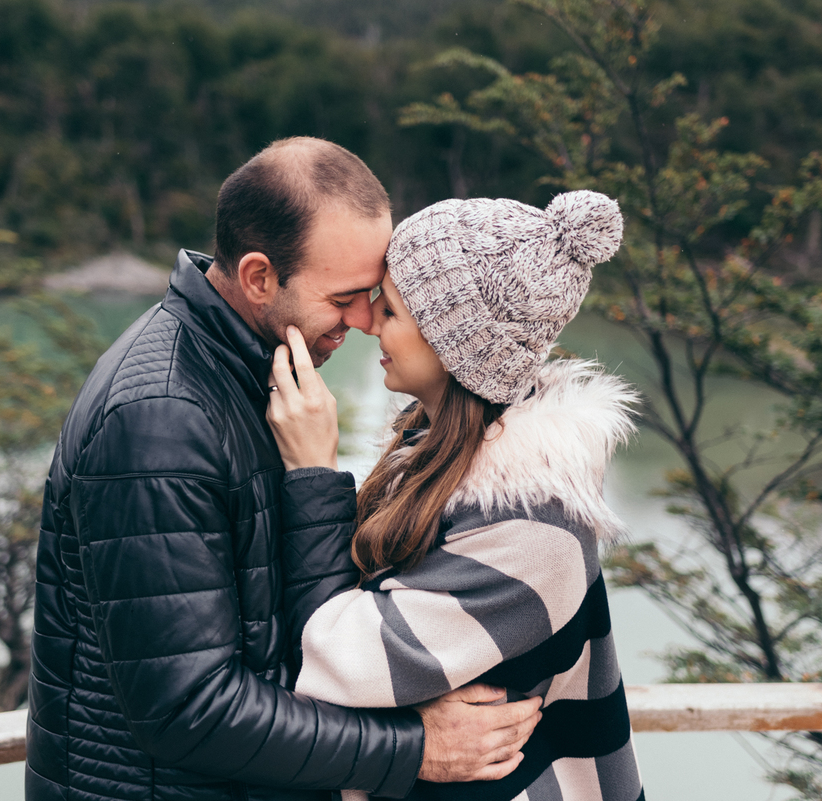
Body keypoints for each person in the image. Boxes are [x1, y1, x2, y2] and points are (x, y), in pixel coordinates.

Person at [25, 137, 543, 801]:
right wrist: (415, 747)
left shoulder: (261, 375)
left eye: (374, 294)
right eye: (346, 297)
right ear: (259, 278)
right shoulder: (160, 419)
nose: (364, 320)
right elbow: (187, 708)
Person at [266, 191, 646, 800]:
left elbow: (335, 658)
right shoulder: (435, 458)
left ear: (455, 345)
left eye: (390, 309)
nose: (366, 320)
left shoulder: (533, 526)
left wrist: (313, 471)